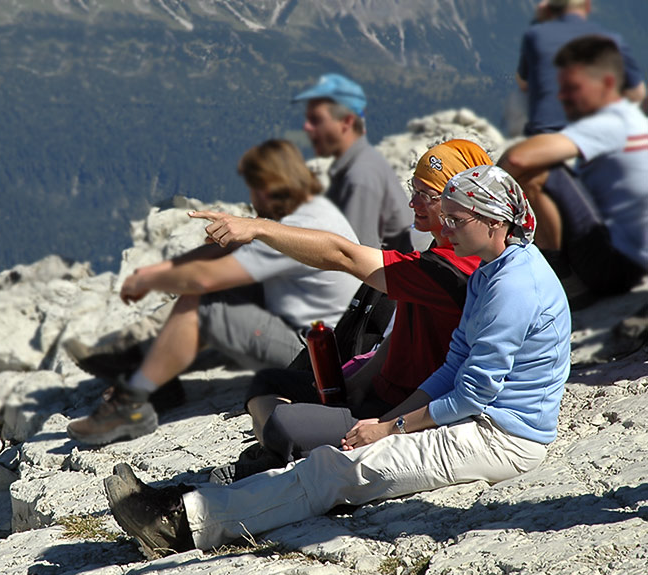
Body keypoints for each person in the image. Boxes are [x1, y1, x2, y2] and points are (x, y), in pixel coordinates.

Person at [103, 165, 571, 558]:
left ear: (493, 221)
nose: (443, 228)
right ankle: (194, 504)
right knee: (335, 458)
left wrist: (389, 430)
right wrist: (389, 423)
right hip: (479, 420)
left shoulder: (511, 286)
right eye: (443, 217)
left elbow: (474, 392)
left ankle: (181, 526)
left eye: (455, 219)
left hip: (503, 437)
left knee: (337, 470)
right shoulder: (493, 270)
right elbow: (454, 366)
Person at [204, 140, 491, 484]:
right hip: (382, 392)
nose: (413, 203)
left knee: (283, 423)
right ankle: (282, 451)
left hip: (406, 409)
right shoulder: (440, 246)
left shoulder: (453, 268)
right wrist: (358, 382)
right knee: (269, 383)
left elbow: (343, 256)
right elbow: (400, 336)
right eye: (413, 190)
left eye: (426, 196)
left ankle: (280, 456)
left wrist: (259, 228)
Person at [66, 139, 361, 446]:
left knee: (207, 303)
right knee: (233, 289)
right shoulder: (311, 214)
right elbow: (233, 252)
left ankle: (133, 403)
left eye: (254, 187)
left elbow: (205, 279)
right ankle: (145, 363)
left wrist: (148, 280)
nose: (251, 197)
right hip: (329, 339)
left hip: (320, 359)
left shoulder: (296, 229)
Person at [501, 35, 648, 299]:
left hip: (614, 267)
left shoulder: (610, 122)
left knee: (541, 172)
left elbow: (518, 159)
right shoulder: (630, 118)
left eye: (573, 87)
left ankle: (565, 282)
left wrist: (481, 194)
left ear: (607, 83)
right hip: (628, 258)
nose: (563, 96)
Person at [293, 73, 412, 252]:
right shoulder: (359, 165)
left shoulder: (360, 176)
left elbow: (355, 256)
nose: (307, 127)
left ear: (346, 122)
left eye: (316, 120)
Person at [517, 0, 645, 136]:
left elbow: (523, 84)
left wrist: (539, 21)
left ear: (549, 9)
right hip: (592, 137)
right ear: (588, 6)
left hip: (544, 136)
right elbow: (638, 94)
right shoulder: (612, 41)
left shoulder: (534, 36)